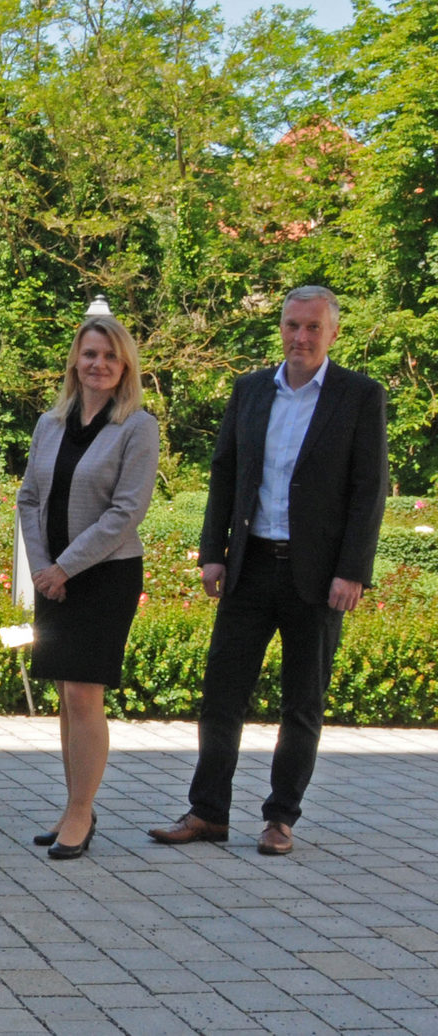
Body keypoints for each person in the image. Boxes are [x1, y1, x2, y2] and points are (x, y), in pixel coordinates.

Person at [150, 286, 388, 856]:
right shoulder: (251, 390)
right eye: (291, 326)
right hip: (251, 565)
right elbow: (225, 473)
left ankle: (280, 819)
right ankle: (208, 813)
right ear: (279, 328)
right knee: (220, 695)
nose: (300, 338)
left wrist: (352, 570)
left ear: (332, 333)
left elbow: (368, 490)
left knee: (301, 703)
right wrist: (213, 551)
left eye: (311, 328)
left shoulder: (359, 396)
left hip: (318, 575)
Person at [16, 316, 159, 859]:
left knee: (84, 693)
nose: (98, 364)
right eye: (89, 354)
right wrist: (42, 566)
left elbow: (127, 511)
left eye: (110, 356)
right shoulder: (50, 424)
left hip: (103, 577)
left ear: (125, 367)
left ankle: (82, 812)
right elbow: (29, 498)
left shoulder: (137, 427)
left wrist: (66, 567)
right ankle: (75, 802)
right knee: (65, 695)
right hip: (53, 578)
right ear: (75, 360)